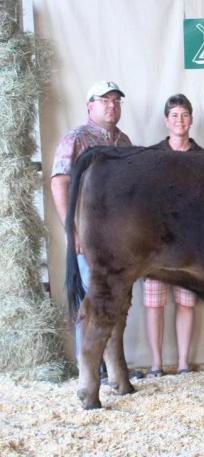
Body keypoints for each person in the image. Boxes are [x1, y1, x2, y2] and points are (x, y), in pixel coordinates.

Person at [50, 80, 143, 379]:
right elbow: (59, 181)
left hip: (121, 236)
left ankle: (113, 366)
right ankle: (90, 369)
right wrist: (72, 230)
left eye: (116, 100)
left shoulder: (124, 141)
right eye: (105, 100)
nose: (112, 105)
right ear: (90, 106)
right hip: (89, 235)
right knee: (94, 300)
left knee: (116, 299)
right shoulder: (75, 139)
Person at [143, 94, 202, 377]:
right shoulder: (151, 157)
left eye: (185, 114)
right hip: (156, 244)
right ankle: (156, 363)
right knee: (155, 304)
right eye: (175, 115)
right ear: (167, 121)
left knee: (186, 303)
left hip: (191, 244)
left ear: (191, 119)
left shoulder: (203, 158)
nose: (180, 120)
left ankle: (182, 363)